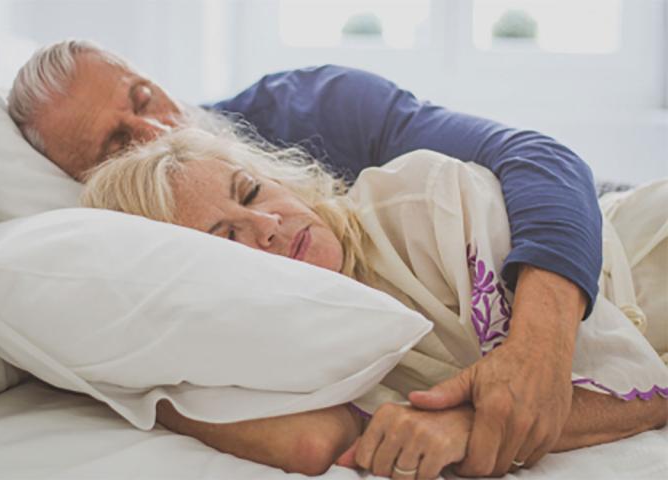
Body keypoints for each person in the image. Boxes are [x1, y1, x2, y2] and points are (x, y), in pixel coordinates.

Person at [9, 40, 605, 476]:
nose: (159, 129)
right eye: (118, 144)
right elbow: (311, 441)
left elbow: (542, 161)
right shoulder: (150, 263)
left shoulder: (316, 106)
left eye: (144, 97)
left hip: (582, 223)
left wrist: (537, 351)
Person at [78, 128, 667, 478]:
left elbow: (640, 386)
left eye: (252, 192)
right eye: (228, 239)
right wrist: (133, 391)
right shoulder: (289, 346)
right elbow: (311, 444)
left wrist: (465, 428)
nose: (268, 225)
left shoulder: (426, 201)